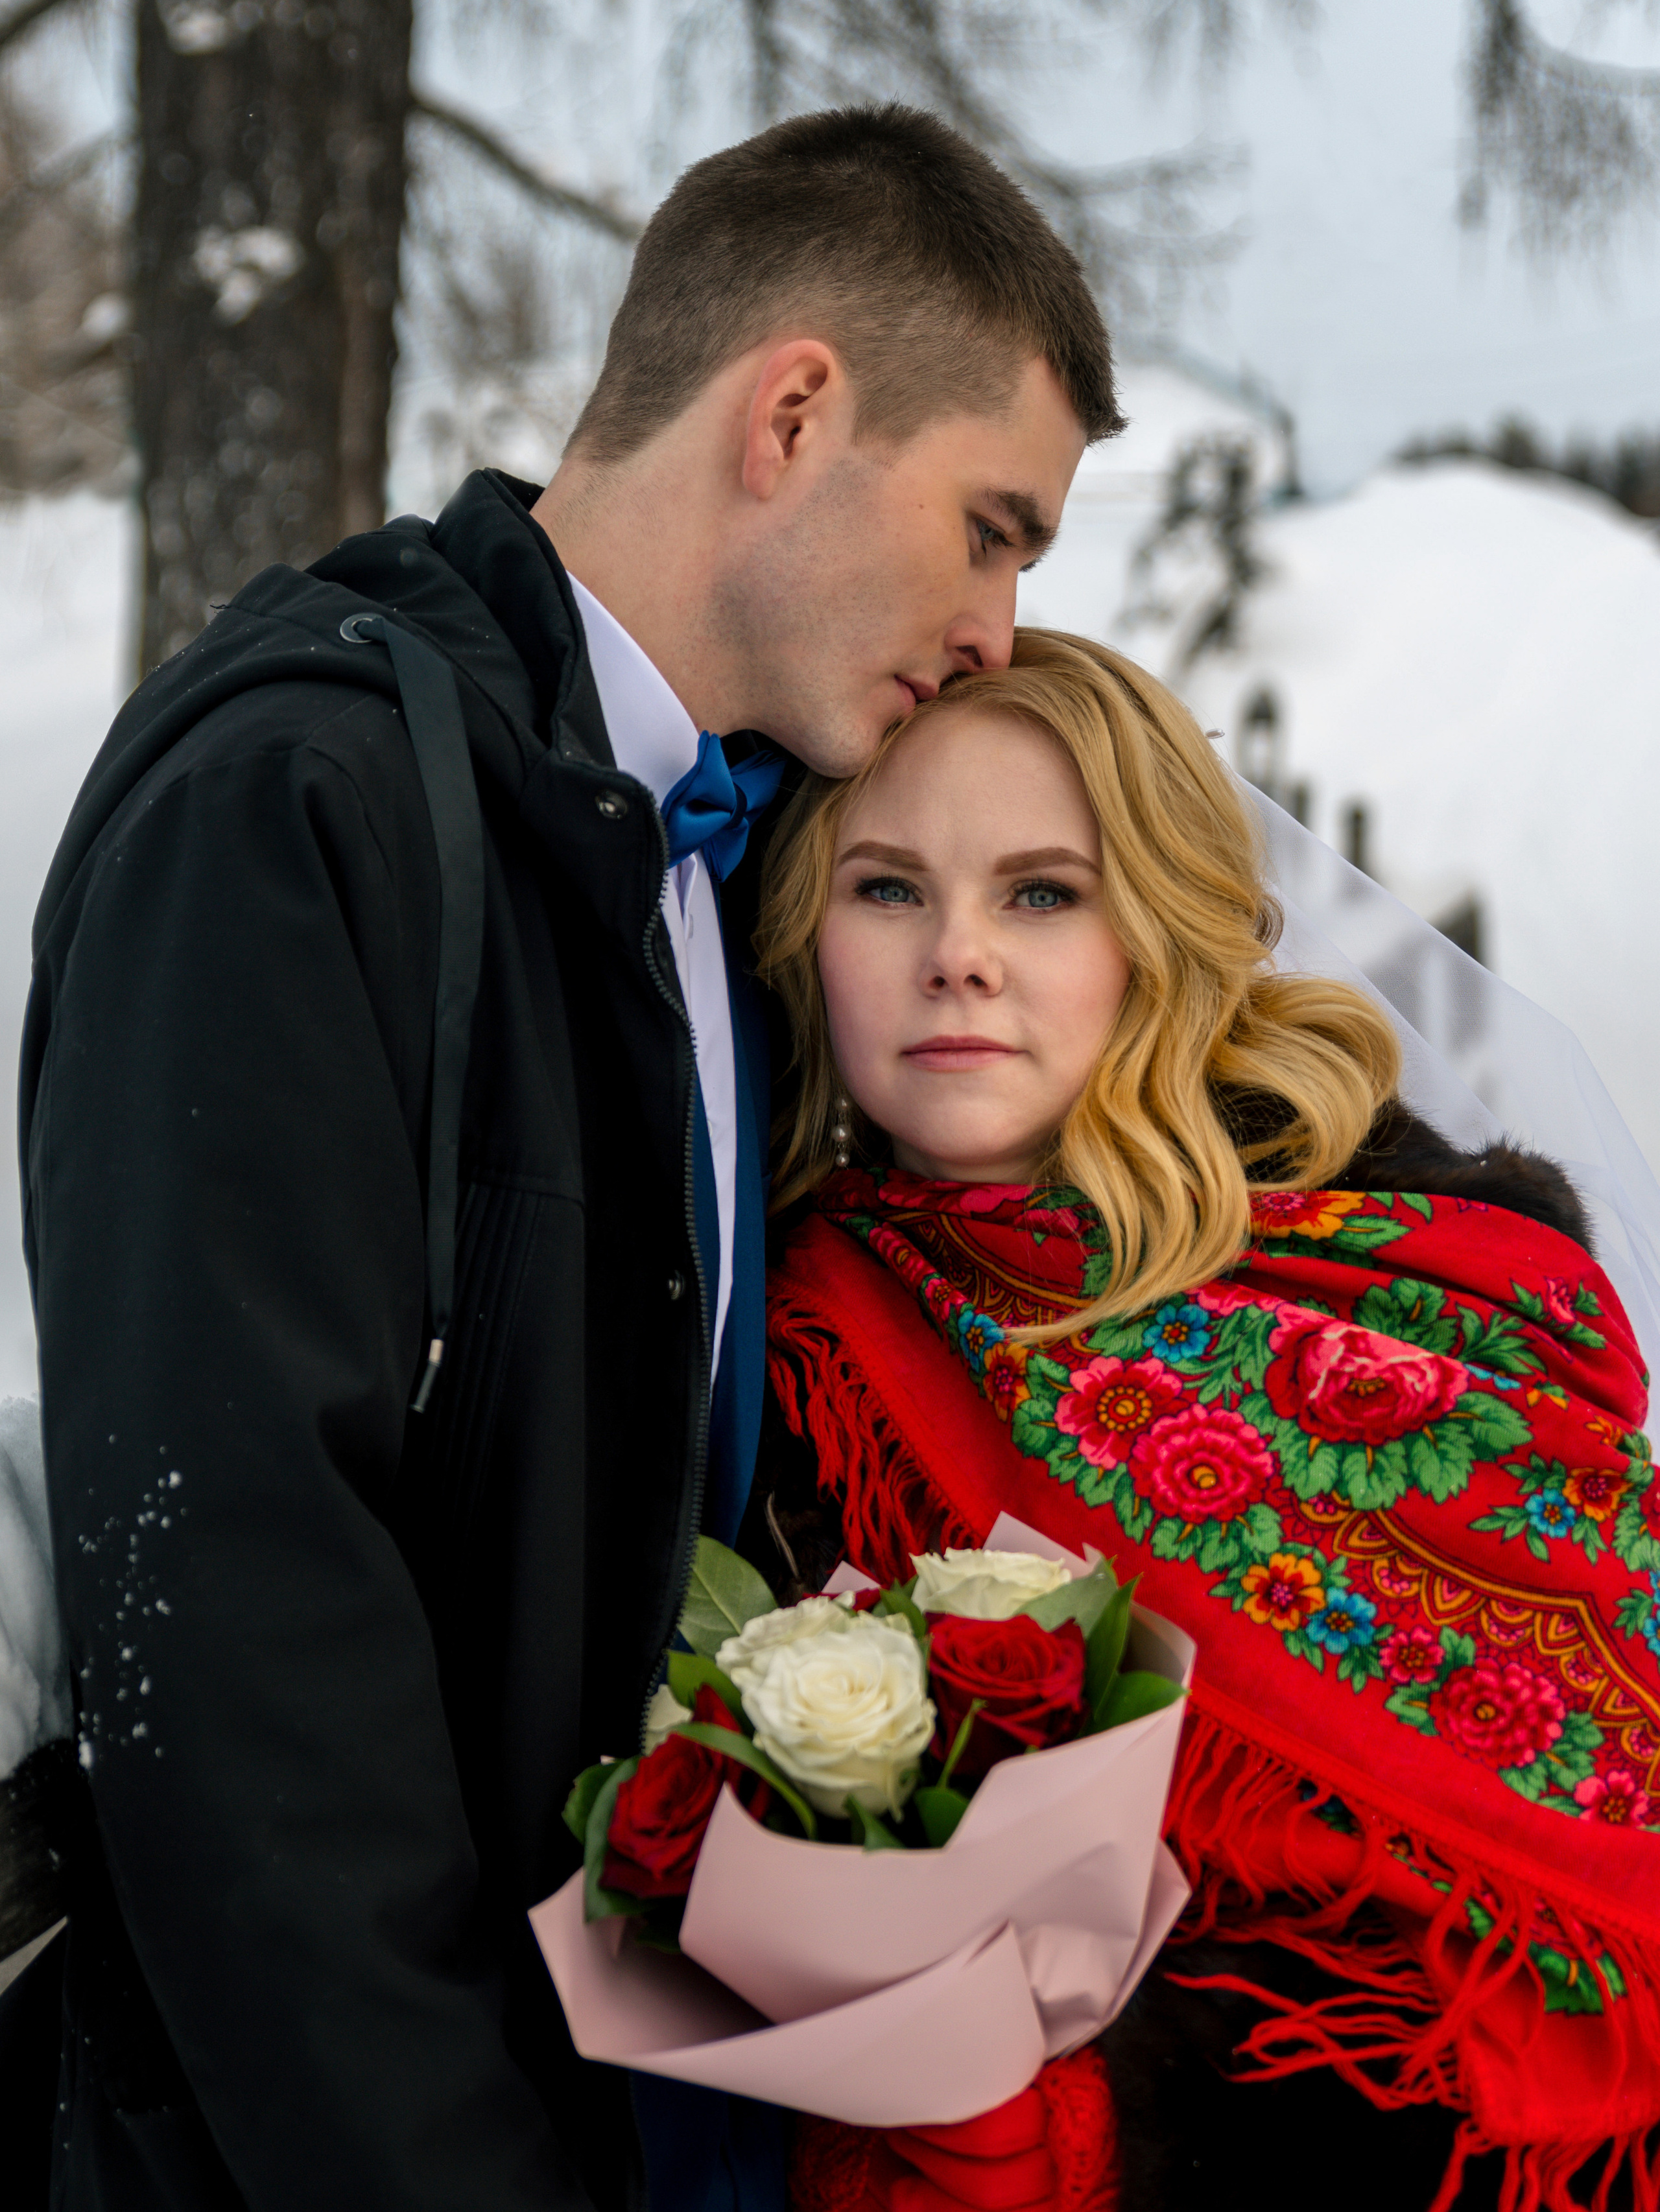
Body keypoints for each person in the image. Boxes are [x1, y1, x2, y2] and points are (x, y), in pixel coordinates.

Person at [11, 107, 1115, 2212]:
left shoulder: (762, 865)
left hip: (650, 2111)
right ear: (795, 410)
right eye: (994, 529)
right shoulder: (297, 807)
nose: (997, 626)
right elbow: (234, 1637)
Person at [745, 628, 1660, 2212]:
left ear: (1154, 929)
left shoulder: (1450, 1277)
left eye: (1039, 890)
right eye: (885, 887)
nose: (956, 952)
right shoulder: (797, 1349)